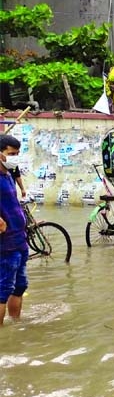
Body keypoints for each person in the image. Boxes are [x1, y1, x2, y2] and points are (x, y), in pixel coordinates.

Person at [0, 135, 29, 325]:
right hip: (5, 243)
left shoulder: (8, 174)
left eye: (17, 154)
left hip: (20, 239)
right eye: (11, 153)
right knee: (2, 290)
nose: (15, 157)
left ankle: (15, 327)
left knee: (19, 286)